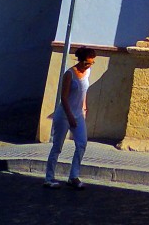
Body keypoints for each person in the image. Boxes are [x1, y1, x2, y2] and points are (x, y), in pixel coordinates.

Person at [44, 46, 96, 189]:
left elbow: (84, 91)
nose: (89, 66)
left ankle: (73, 176)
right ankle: (49, 178)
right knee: (57, 147)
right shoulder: (69, 74)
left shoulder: (87, 72)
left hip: (78, 114)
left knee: (81, 144)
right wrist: (70, 116)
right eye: (87, 63)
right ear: (80, 60)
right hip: (64, 115)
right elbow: (64, 97)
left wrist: (84, 107)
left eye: (91, 63)